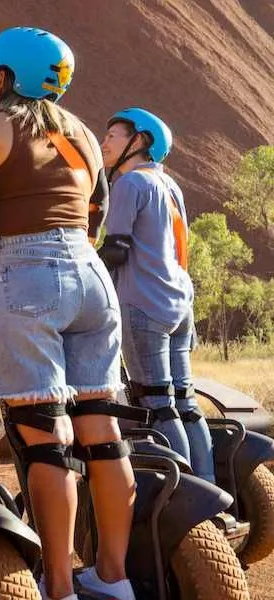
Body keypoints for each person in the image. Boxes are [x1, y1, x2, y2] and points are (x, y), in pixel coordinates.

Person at [0, 27, 136, 600]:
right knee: (103, 431)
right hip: (90, 277)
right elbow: (95, 216)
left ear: (6, 76)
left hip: (26, 271)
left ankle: (59, 585)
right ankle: (114, 580)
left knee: (45, 438)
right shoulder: (86, 136)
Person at [99, 108, 213, 482]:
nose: (105, 142)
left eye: (113, 136)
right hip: (179, 304)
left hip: (144, 304)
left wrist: (82, 269)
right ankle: (208, 490)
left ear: (141, 141)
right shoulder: (170, 186)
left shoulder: (130, 185)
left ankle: (186, 499)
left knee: (158, 406)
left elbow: (116, 250)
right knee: (186, 404)